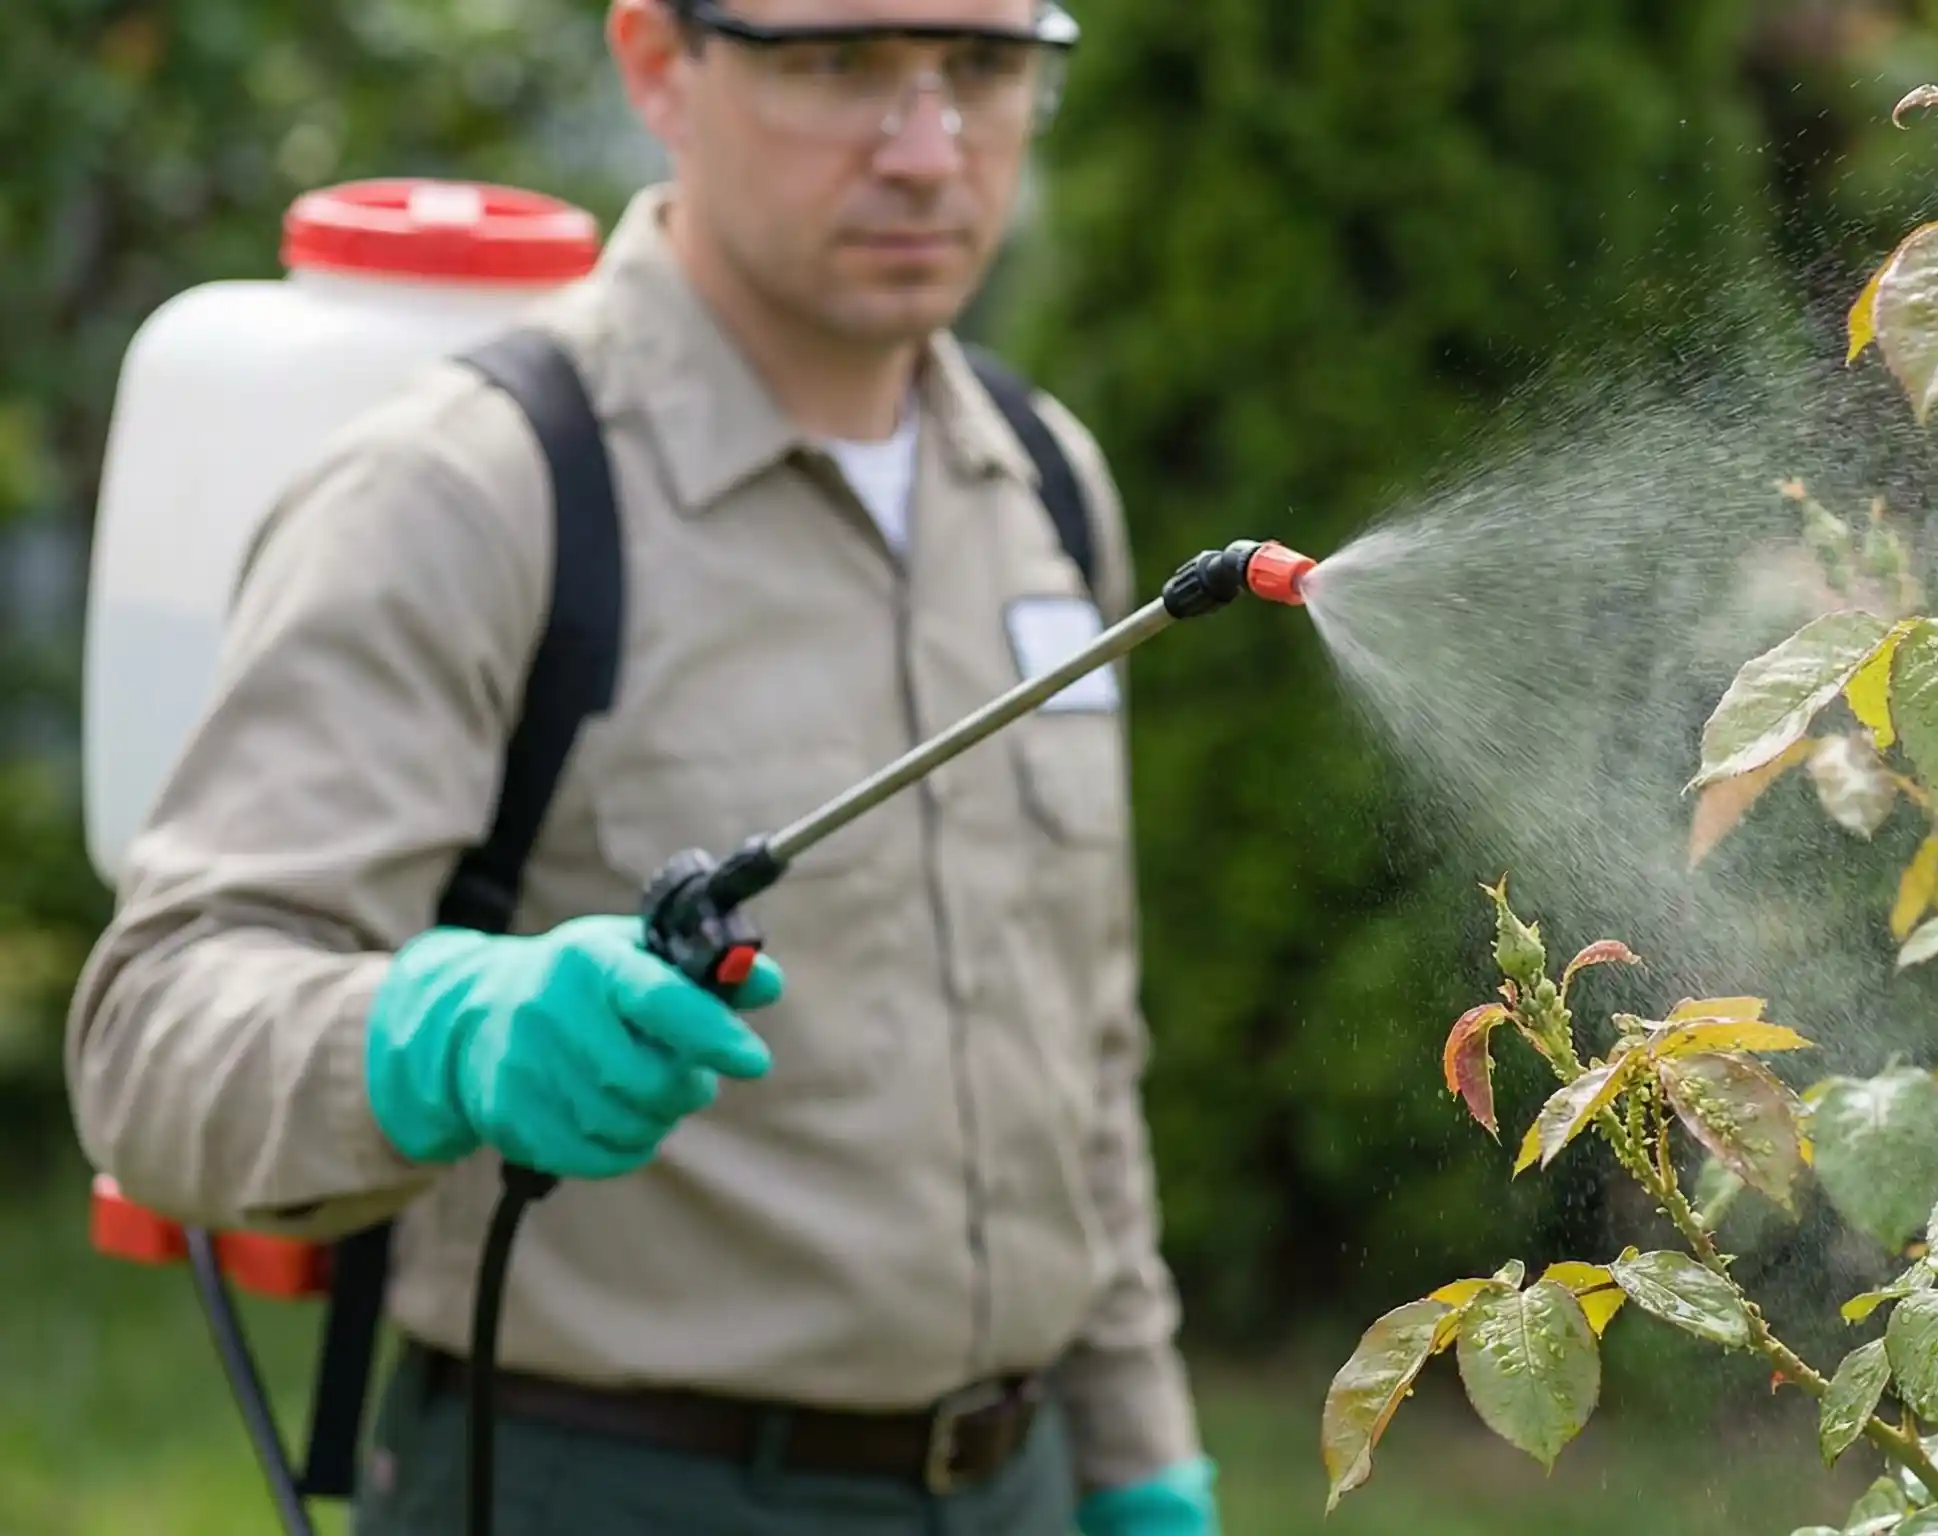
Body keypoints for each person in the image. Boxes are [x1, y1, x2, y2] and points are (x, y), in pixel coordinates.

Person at [61, 1, 1221, 1532]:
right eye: (843, 65)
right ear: (659, 65)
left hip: (1022, 1484)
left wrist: (1139, 1460)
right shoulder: (470, 489)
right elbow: (149, 1038)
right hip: (599, 1481)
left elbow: (1081, 1049)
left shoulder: (1044, 482)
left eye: (987, 68)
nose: (930, 150)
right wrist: (440, 1036)